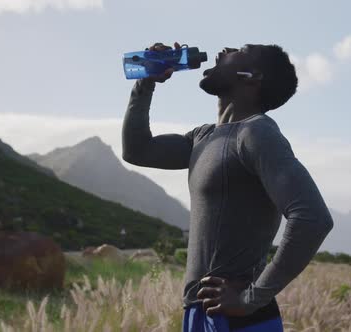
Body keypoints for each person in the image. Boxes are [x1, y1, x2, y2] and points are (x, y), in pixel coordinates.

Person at [122, 41, 334, 332]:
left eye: (239, 51)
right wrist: (146, 81)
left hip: (237, 320)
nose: (223, 50)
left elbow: (313, 218)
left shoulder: (256, 133)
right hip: (200, 312)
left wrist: (251, 298)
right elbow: (137, 150)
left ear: (252, 76)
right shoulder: (203, 137)